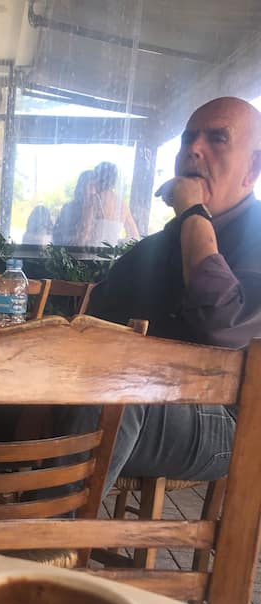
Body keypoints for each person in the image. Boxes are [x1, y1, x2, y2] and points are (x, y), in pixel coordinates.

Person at [77, 96, 261, 492]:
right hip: (139, 394)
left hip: (230, 419)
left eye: (217, 138)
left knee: (114, 397)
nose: (194, 149)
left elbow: (220, 325)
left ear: (253, 168)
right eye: (188, 138)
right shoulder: (156, 247)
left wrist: (194, 214)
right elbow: (93, 323)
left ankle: (41, 532)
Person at [89, 161, 139, 245]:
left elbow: (85, 231)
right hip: (112, 252)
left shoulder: (93, 200)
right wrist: (117, 243)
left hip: (91, 250)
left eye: (94, 177)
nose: (93, 181)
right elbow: (135, 236)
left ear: (98, 178)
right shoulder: (122, 204)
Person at [52, 170, 97, 246]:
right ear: (82, 187)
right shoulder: (69, 208)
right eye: (91, 185)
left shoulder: (99, 208)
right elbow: (58, 234)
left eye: (96, 186)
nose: (94, 190)